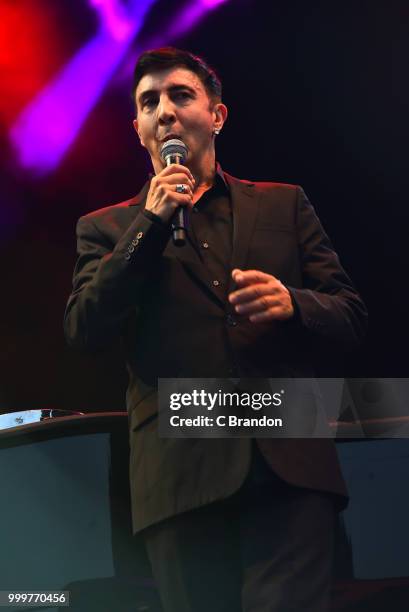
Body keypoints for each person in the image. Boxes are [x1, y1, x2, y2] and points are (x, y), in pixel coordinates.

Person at [64, 47, 367, 612]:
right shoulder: (106, 228)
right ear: (138, 131)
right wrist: (148, 226)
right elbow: (84, 330)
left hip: (289, 464)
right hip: (180, 475)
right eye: (149, 102)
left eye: (181, 95)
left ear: (217, 115)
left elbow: (350, 314)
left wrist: (294, 303)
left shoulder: (283, 204)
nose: (165, 112)